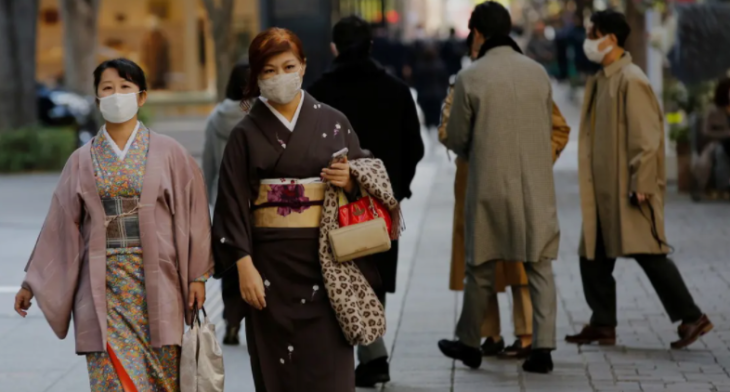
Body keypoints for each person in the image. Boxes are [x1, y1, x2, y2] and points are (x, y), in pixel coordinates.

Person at [212, 28, 396, 392]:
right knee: (278, 367)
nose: (280, 77)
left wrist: (350, 179)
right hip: (269, 267)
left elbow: (364, 175)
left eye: (288, 66)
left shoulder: (332, 121)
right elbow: (231, 202)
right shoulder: (245, 134)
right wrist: (244, 266)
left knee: (329, 367)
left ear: (304, 66)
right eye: (268, 70)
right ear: (256, 76)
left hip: (328, 263)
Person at [14, 58, 213, 391]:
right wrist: (31, 283)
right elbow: (60, 225)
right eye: (108, 88)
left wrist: (198, 277)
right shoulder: (81, 159)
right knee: (112, 381)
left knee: (161, 379)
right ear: (97, 99)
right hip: (100, 285)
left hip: (159, 281)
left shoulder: (171, 153)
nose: (116, 94)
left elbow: (194, 215)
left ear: (142, 96)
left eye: (125, 87)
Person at [566, 10, 712, 350]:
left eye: (592, 33)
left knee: (648, 252)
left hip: (627, 189)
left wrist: (642, 183)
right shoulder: (604, 79)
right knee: (592, 255)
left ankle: (692, 317)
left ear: (610, 38)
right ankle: (603, 323)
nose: (588, 40)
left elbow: (647, 138)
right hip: (604, 191)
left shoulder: (631, 79)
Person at [437, 1, 561, 374]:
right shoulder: (538, 73)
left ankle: (471, 342)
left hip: (490, 186)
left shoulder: (470, 78)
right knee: (539, 266)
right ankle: (542, 349)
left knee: (481, 267)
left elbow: (456, 136)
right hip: (537, 186)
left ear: (477, 33)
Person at [307, 15, 425, 387]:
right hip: (378, 204)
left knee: (335, 274)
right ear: (371, 46)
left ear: (333, 48)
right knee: (374, 274)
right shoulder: (395, 89)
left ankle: (368, 357)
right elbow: (415, 147)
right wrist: (395, 191)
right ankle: (372, 355)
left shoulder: (319, 93)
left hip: (330, 204)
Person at [202, 61, 250, 346]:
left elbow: (208, 162)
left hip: (224, 197)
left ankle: (231, 322)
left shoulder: (216, 117)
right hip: (257, 199)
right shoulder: (261, 115)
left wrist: (210, 201)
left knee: (231, 263)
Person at [693, 78, 730, 196]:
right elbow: (705, 131)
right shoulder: (713, 110)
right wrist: (725, 134)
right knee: (720, 152)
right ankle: (724, 185)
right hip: (717, 143)